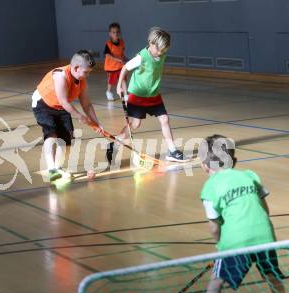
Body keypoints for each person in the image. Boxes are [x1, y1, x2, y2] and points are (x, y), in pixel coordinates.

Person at [200, 134, 286, 293]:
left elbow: (214, 227)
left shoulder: (209, 187)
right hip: (265, 237)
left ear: (204, 166)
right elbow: (264, 209)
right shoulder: (250, 175)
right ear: (235, 160)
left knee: (216, 281)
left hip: (235, 242)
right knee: (270, 273)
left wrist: (220, 245)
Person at [107, 27, 186, 164]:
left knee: (165, 119)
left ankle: (172, 151)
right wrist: (119, 85)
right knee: (135, 124)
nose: (161, 53)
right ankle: (114, 145)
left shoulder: (161, 54)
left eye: (164, 50)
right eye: (159, 49)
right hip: (138, 96)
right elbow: (125, 68)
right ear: (151, 43)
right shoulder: (141, 57)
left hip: (154, 95)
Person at [32, 50, 104, 181]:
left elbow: (86, 104)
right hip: (43, 104)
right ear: (76, 68)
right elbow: (64, 101)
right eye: (86, 72)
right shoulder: (61, 76)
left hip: (61, 107)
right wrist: (79, 116)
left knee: (67, 139)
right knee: (51, 133)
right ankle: (51, 169)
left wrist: (96, 123)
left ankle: (58, 168)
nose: (87, 75)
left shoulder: (81, 81)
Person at [104, 22, 127, 102]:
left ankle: (126, 95)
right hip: (111, 66)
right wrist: (118, 59)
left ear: (119, 32)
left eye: (117, 32)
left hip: (120, 65)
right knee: (111, 82)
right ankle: (108, 92)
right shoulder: (108, 44)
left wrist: (125, 59)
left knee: (123, 79)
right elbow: (107, 55)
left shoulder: (122, 42)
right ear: (110, 34)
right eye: (113, 32)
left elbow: (122, 53)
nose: (116, 33)